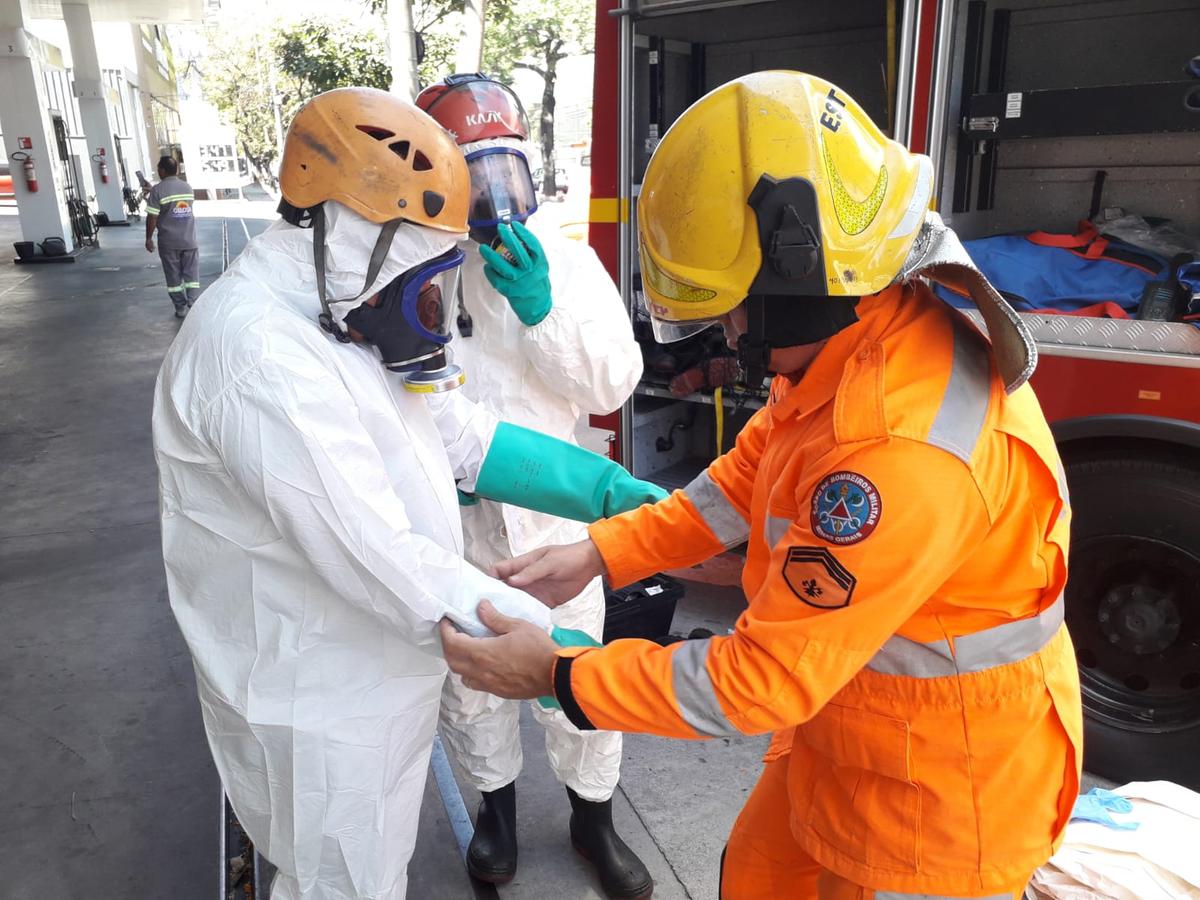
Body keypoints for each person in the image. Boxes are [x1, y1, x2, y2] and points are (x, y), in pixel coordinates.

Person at [441, 71, 1084, 900]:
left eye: (733, 306)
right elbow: (740, 482)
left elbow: (755, 680)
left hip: (934, 801)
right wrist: (601, 554)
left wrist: (561, 675)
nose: (729, 330)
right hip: (849, 724)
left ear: (796, 271)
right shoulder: (854, 342)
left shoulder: (893, 452)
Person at [153, 87, 663, 900]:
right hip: (321, 707)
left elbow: (461, 432)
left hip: (378, 672)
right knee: (347, 882)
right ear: (362, 233)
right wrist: (589, 664)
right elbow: (384, 560)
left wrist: (617, 497)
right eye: (427, 278)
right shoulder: (259, 358)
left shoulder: (340, 305)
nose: (438, 303)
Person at [415, 73, 652, 898]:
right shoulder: (423, 268)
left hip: (558, 530)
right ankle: (497, 815)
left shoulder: (572, 260)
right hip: (460, 533)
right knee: (474, 685)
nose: (490, 198)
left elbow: (613, 385)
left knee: (580, 675)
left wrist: (546, 310)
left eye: (501, 171)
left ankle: (594, 822)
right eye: (469, 174)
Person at [144, 155, 199, 318]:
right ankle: (194, 303)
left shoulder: (157, 190)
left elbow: (152, 217)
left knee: (173, 276)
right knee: (192, 275)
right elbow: (177, 205)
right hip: (189, 240)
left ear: (161, 170)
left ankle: (180, 307)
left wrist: (148, 238)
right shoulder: (187, 187)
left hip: (169, 243)